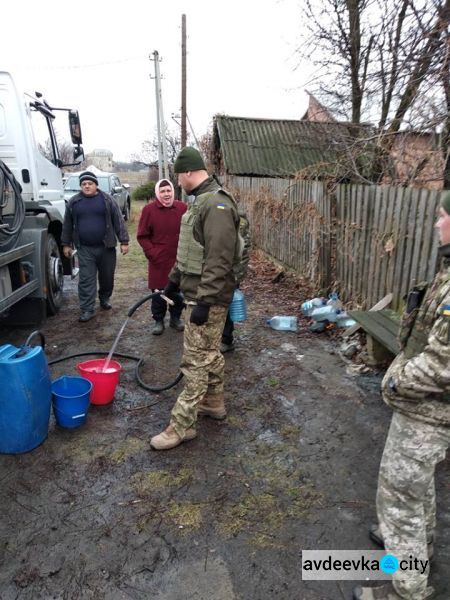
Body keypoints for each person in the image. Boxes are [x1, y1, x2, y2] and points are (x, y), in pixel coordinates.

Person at [353, 192, 450, 600]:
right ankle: (416, 551)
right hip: (426, 408)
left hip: (428, 410)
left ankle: (406, 589)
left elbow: (443, 364)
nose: (436, 223)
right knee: (415, 489)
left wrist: (395, 383)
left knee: (400, 496)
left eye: (443, 215)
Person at [150, 147, 241, 451]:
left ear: (188, 172)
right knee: (209, 352)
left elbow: (219, 259)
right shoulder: (201, 201)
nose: (177, 182)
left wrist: (205, 302)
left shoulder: (216, 204)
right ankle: (213, 403)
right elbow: (191, 250)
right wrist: (172, 282)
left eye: (178, 176)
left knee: (195, 362)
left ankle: (181, 425)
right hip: (196, 292)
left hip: (207, 297)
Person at [61, 170, 129, 322]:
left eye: (90, 183)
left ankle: (104, 298)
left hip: (107, 247)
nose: (86, 186)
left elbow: (118, 220)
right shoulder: (73, 202)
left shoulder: (107, 200)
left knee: (107, 278)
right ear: (81, 186)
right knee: (86, 279)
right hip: (85, 249)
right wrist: (66, 244)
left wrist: (124, 241)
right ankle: (87, 309)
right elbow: (67, 224)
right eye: (83, 184)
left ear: (96, 185)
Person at [137, 178, 187, 335]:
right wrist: (153, 253)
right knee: (159, 293)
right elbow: (142, 236)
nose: (166, 194)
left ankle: (175, 318)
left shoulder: (182, 207)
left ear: (173, 191)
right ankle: (158, 320)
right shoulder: (149, 210)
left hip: (178, 259)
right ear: (157, 193)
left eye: (169, 190)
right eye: (163, 191)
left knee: (177, 292)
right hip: (158, 260)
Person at [220, 209, 251, 353]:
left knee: (225, 304)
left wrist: (235, 276)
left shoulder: (239, 223)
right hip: (216, 270)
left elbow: (242, 253)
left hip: (230, 273)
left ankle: (226, 339)